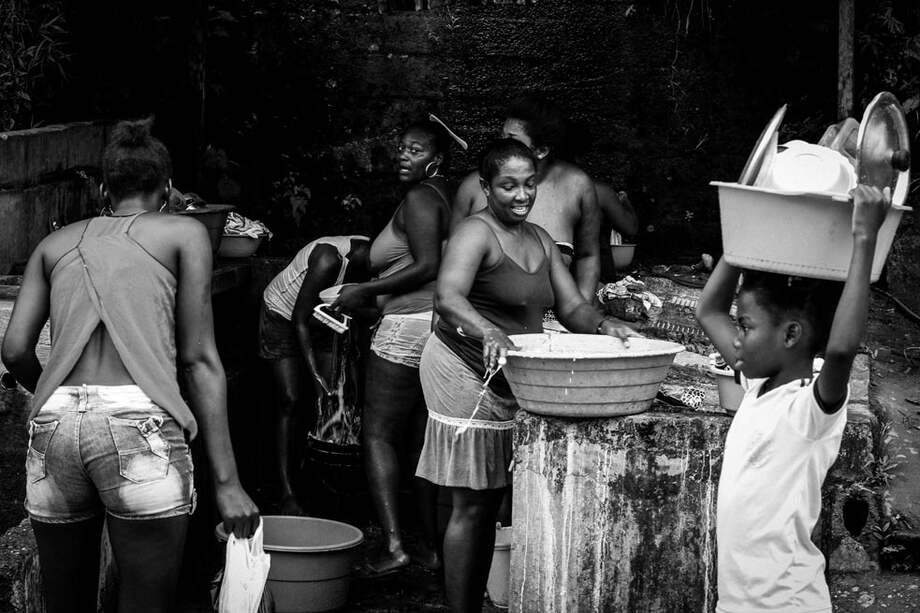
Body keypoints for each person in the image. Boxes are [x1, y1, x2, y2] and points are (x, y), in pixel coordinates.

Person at [0, 119, 259, 613]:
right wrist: (228, 483)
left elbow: (14, 351)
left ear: (103, 189)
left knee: (64, 602)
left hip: (55, 424)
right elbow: (199, 358)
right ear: (166, 190)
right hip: (139, 424)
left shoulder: (54, 244)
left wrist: (55, 394)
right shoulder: (184, 232)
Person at [418, 138, 637, 613]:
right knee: (472, 503)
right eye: (508, 186)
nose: (521, 195)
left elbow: (573, 306)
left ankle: (474, 600)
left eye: (529, 185)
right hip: (461, 367)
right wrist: (488, 331)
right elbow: (447, 298)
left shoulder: (539, 239)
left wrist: (605, 324)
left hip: (509, 371)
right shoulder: (476, 234)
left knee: (492, 498)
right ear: (485, 187)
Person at [695, 185, 891, 612]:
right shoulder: (755, 386)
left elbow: (841, 350)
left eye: (745, 326)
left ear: (790, 335)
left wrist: (864, 238)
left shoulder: (809, 410)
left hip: (787, 602)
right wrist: (745, 237)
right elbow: (708, 312)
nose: (737, 337)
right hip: (738, 602)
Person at [332, 119, 454, 575]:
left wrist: (364, 290)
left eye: (415, 150)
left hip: (406, 327)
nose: (403, 155)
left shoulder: (421, 198)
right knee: (422, 439)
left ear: (436, 158)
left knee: (379, 434)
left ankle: (397, 545)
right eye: (401, 147)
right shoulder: (447, 196)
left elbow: (427, 265)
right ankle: (433, 548)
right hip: (439, 328)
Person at [259, 234, 372, 515]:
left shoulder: (376, 259)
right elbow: (299, 319)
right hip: (283, 317)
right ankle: (286, 492)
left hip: (324, 319)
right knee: (291, 399)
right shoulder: (327, 258)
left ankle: (318, 486)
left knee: (333, 402)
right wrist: (315, 379)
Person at [450, 95, 601, 302]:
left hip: (557, 319)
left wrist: (582, 310)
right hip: (487, 316)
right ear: (487, 188)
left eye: (511, 140)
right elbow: (451, 265)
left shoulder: (577, 185)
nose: (501, 147)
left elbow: (588, 256)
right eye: (500, 137)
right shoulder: (472, 187)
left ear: (541, 150)